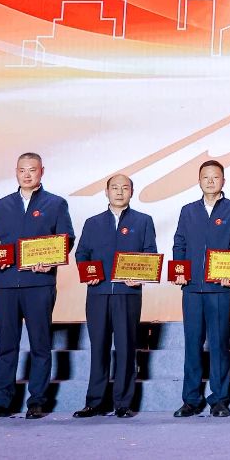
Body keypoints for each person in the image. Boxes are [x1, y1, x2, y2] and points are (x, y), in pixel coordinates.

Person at [0, 153, 74, 420]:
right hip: (7, 283)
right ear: (16, 172)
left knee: (40, 344)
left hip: (39, 283)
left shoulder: (56, 203)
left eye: (32, 170)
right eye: (22, 170)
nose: (27, 175)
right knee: (6, 345)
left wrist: (50, 262)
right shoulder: (2, 204)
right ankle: (1, 402)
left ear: (42, 171)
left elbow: (66, 238)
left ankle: (37, 402)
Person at [73, 173, 157, 419]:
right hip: (98, 293)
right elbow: (81, 254)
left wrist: (140, 276)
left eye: (125, 188)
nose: (120, 192)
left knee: (126, 347)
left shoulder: (143, 221)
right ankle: (95, 402)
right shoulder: (92, 222)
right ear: (106, 192)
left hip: (127, 294)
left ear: (132, 192)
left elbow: (150, 254)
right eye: (115, 188)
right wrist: (88, 274)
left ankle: (123, 402)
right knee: (98, 347)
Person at [172, 159, 230, 418]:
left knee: (218, 344)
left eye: (215, 177)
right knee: (192, 344)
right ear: (199, 181)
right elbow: (179, 243)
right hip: (192, 288)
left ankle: (219, 399)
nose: (211, 181)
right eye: (206, 177)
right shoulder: (188, 211)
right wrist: (179, 272)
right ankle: (191, 400)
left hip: (219, 289)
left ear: (223, 181)